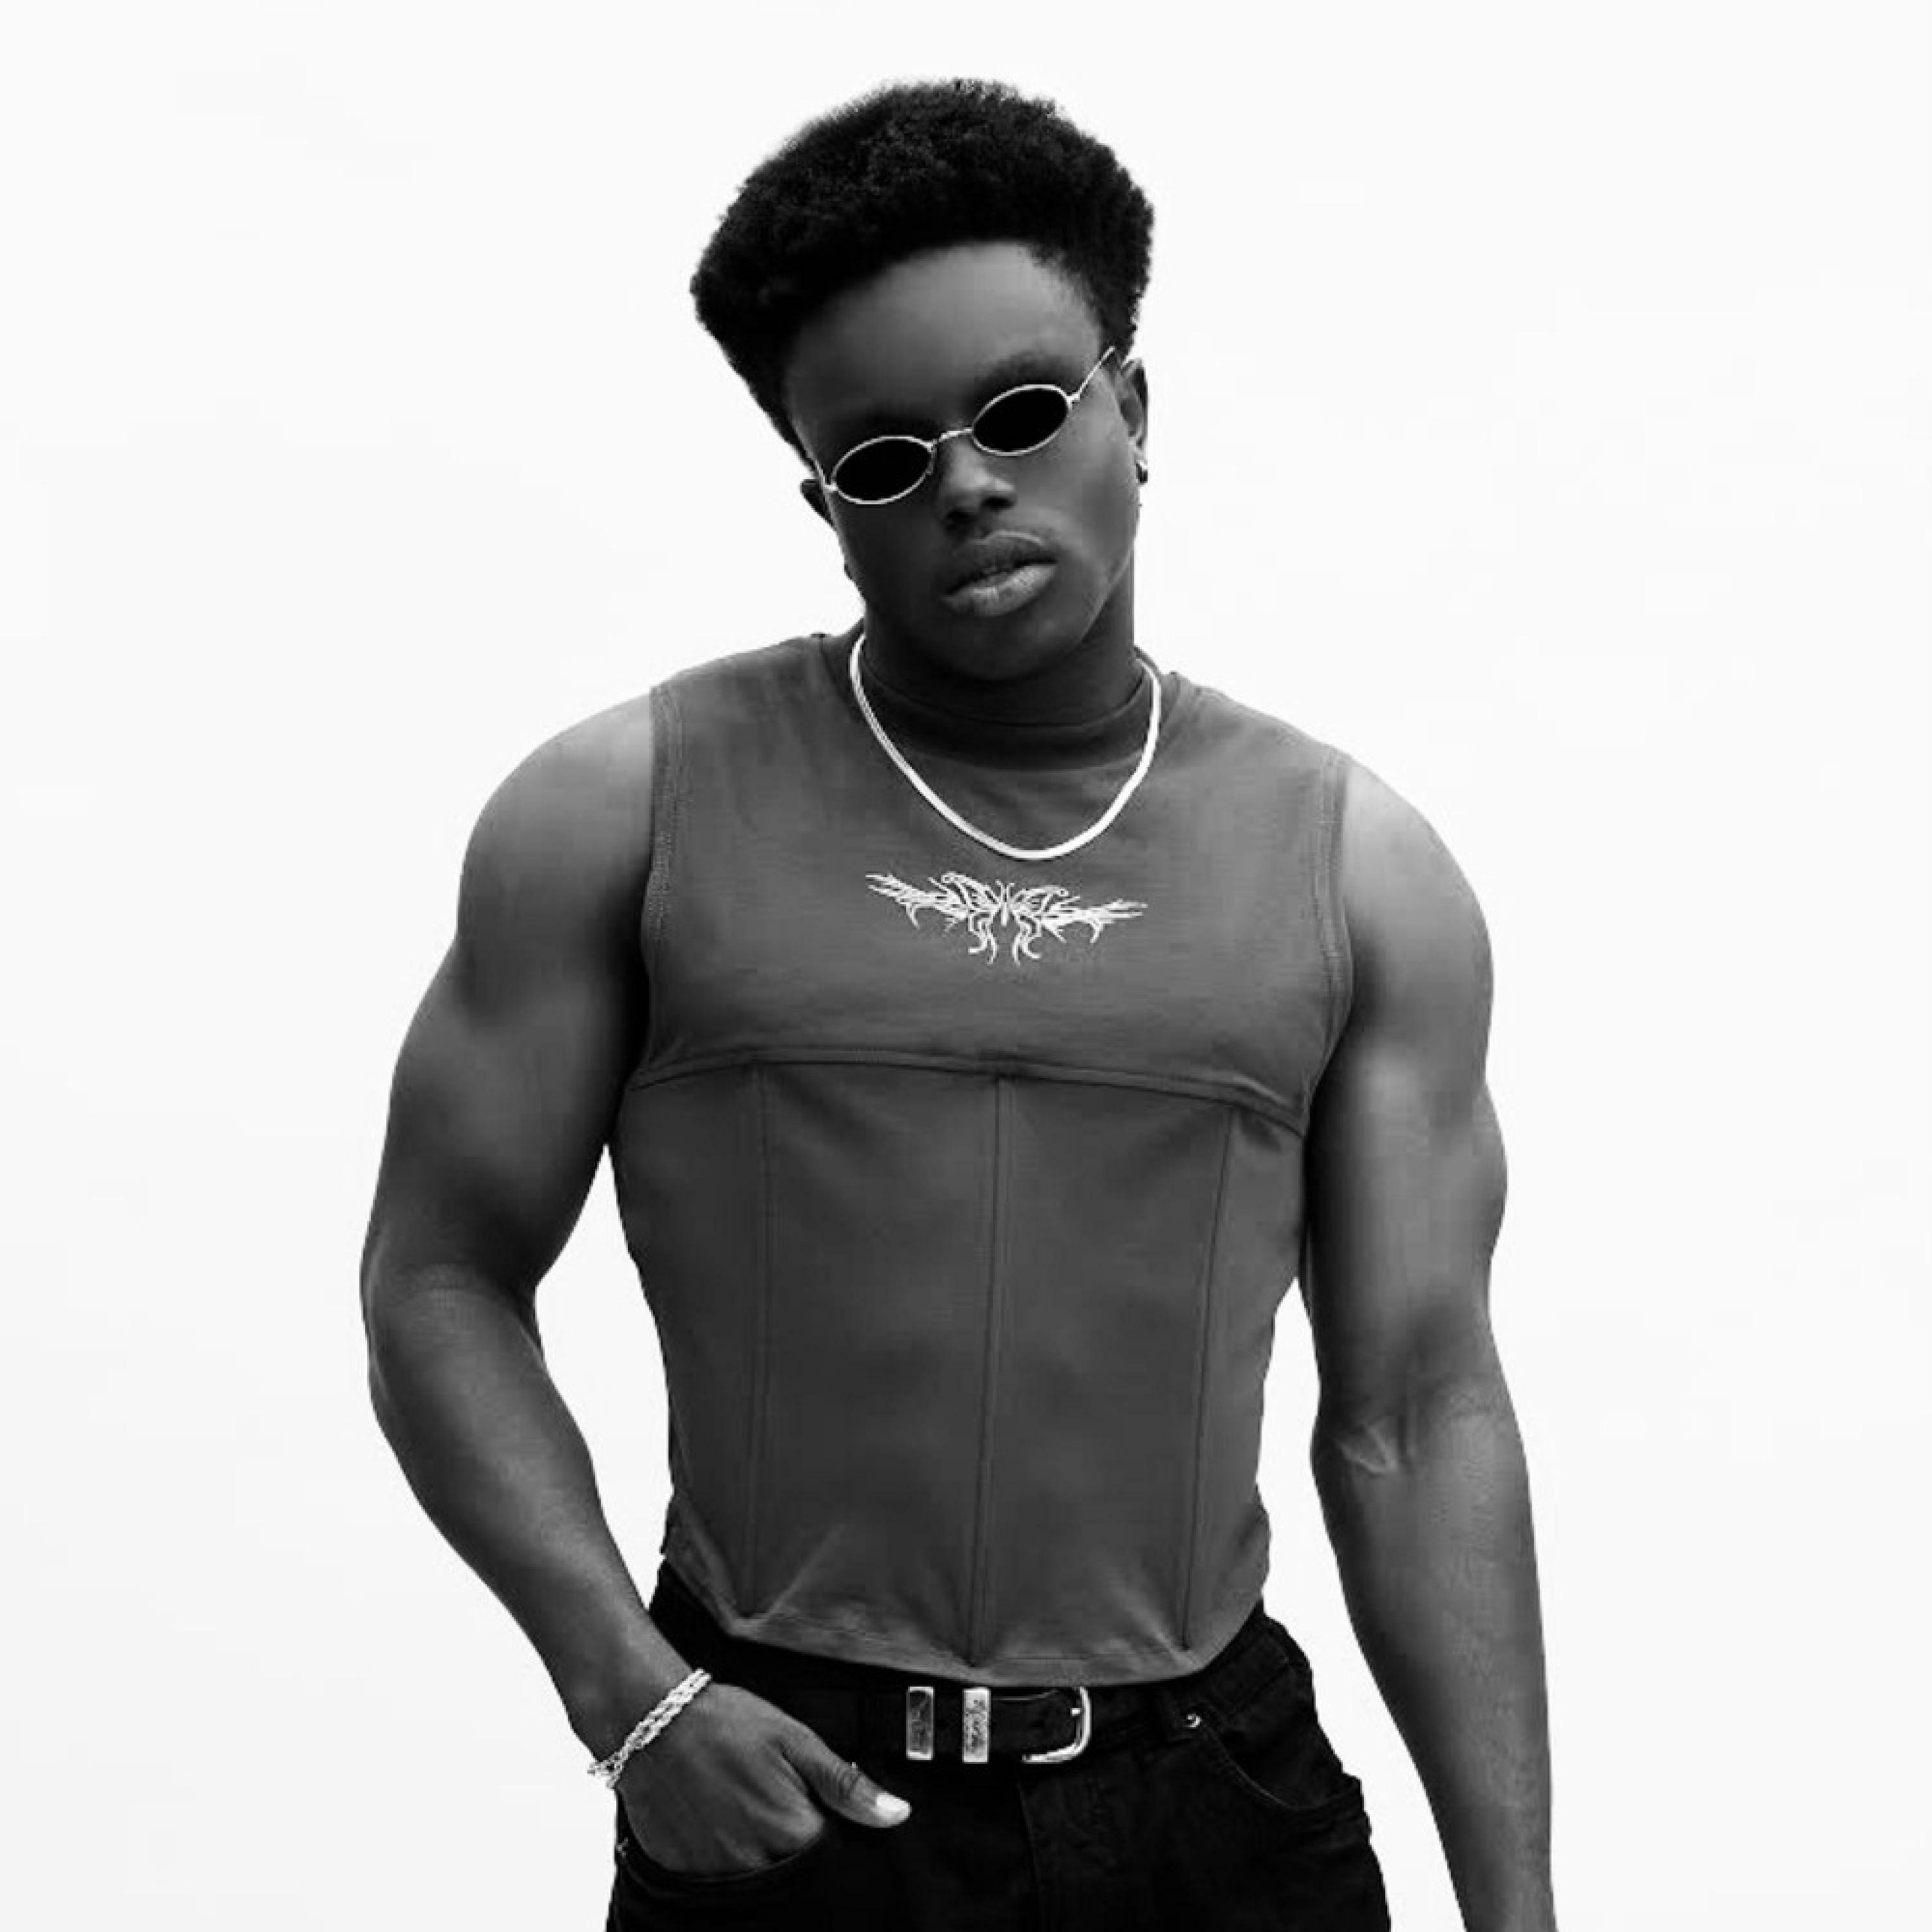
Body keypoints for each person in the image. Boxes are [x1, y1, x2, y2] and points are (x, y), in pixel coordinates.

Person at [361, 78, 1557, 1931]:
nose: (970, 486)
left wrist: (1520, 1917)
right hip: (785, 1793)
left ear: (1133, 412)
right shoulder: (622, 813)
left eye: (1020, 413)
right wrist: (632, 1697)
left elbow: (1415, 1410)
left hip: (1218, 1811)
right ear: (823, 502)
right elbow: (439, 1280)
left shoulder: (1355, 869)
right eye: (884, 460)